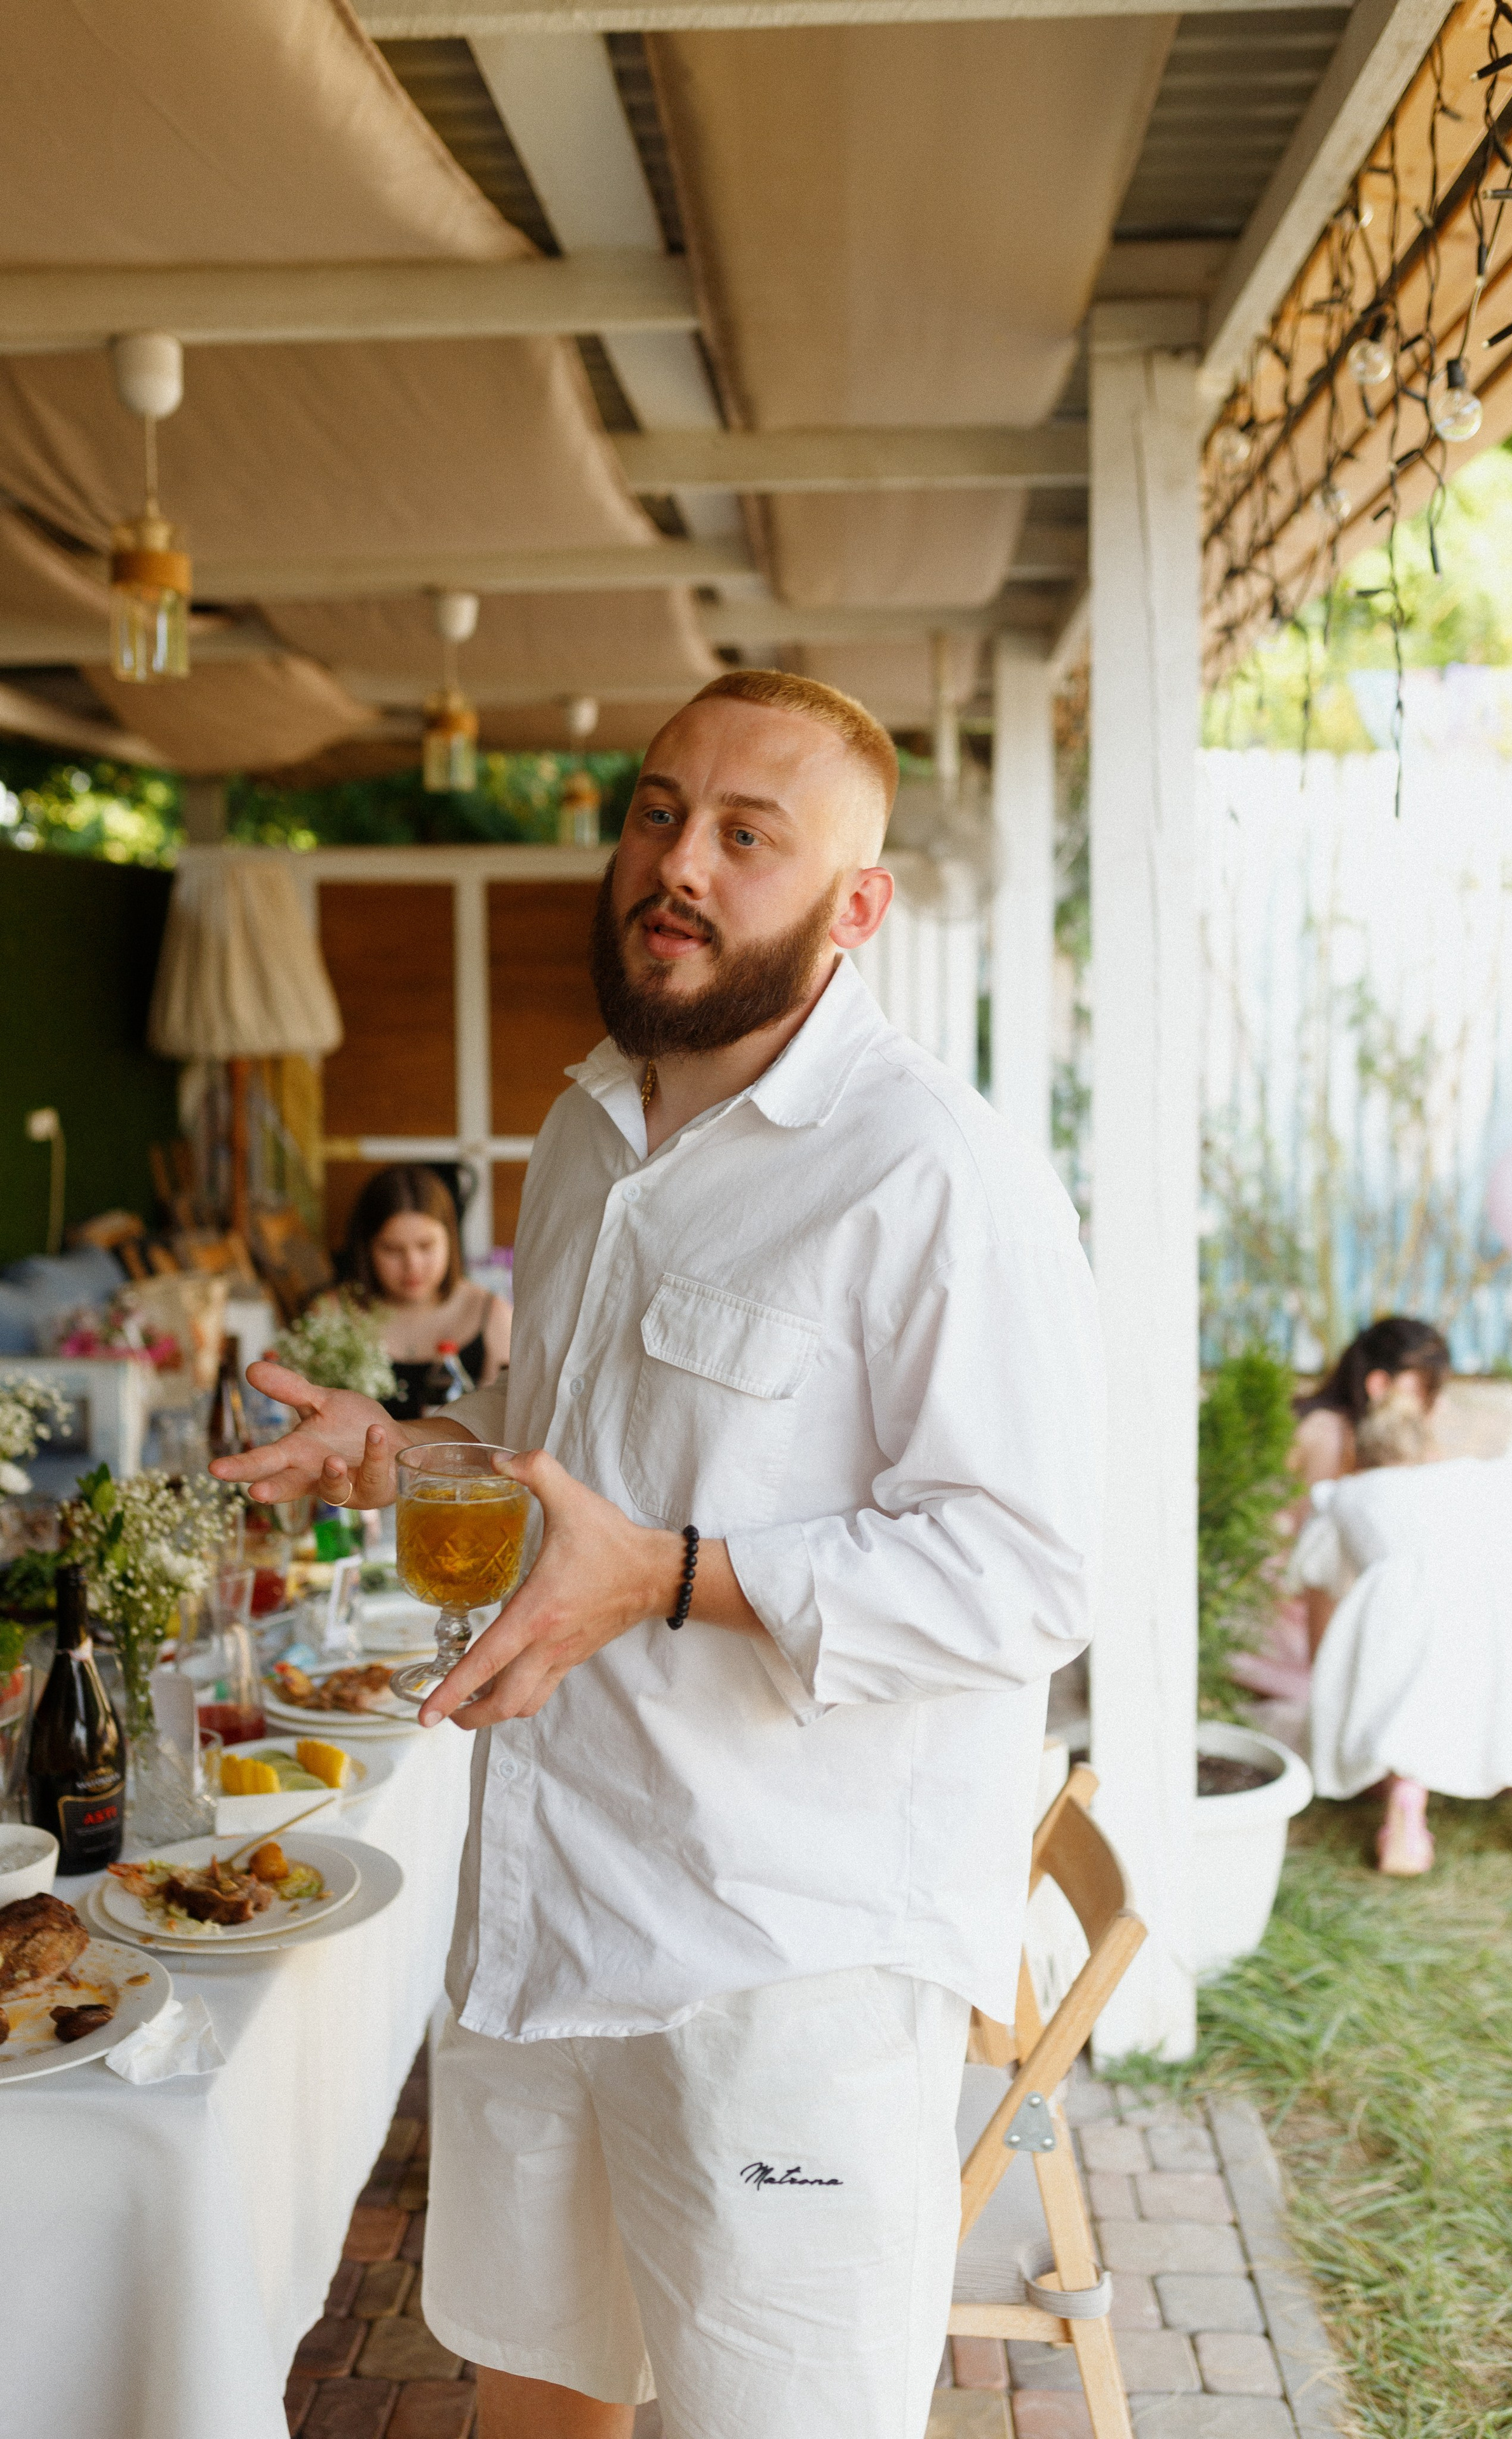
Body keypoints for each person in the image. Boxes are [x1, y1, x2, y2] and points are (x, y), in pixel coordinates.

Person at [213, 667, 1103, 2439]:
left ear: (858, 907)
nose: (677, 862)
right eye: (655, 812)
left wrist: (678, 1577)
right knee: (534, 2404)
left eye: (747, 836)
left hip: (784, 1971)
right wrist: (402, 1455)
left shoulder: (935, 1174)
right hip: (553, 1920)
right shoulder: (589, 1124)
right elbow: (566, 1442)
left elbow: (1028, 1574)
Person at [1301, 1407, 1512, 1876]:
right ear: (1431, 1450)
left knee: (1407, 1703)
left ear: (1361, 1455)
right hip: (1508, 1600)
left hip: (1408, 1613)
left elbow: (1324, 1576)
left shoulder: (1347, 1495)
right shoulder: (1479, 1478)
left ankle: (1407, 1810)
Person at [1290, 1316, 1451, 1658]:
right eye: (1426, 1390)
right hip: (1290, 1612)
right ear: (1379, 1385)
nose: (1431, 1406)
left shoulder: (1390, 1444)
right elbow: (1314, 1542)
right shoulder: (1327, 1434)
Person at [331, 1164, 512, 1419]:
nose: (412, 1265)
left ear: (451, 1239)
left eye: (426, 1246)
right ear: (367, 1249)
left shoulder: (493, 1316)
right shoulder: (333, 1314)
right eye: (393, 1250)